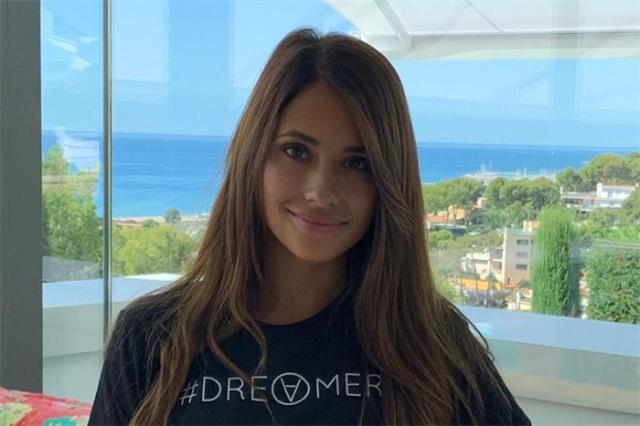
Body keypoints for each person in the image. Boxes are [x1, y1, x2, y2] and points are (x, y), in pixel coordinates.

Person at [88, 28, 531, 426]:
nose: (321, 191)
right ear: (254, 158)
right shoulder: (153, 336)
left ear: (387, 183)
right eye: (296, 151)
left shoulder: (430, 341)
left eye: (357, 163)